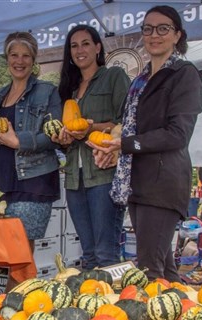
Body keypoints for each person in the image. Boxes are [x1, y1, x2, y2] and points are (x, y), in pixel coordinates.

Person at [88, 5, 202, 282]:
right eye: (148, 29)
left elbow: (178, 134)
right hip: (138, 182)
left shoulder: (184, 74)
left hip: (162, 183)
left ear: (177, 35)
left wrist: (125, 145)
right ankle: (181, 315)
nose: (154, 35)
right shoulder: (141, 79)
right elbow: (132, 127)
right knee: (162, 268)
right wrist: (115, 148)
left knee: (148, 270)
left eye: (163, 28)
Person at [53, 24, 131, 269]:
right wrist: (63, 140)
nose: (80, 50)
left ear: (98, 47)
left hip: (103, 173)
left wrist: (91, 128)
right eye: (74, 46)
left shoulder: (113, 77)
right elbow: (68, 133)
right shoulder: (69, 88)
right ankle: (91, 303)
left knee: (105, 252)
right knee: (88, 254)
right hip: (75, 178)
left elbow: (126, 122)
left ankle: (111, 305)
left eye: (86, 43)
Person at [0, 32, 62, 253]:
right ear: (7, 58)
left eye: (26, 56)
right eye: (14, 55)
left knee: (21, 252)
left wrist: (18, 141)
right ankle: (4, 290)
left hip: (32, 182)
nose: (19, 61)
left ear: (34, 59)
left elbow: (55, 136)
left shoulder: (47, 92)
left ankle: (20, 289)